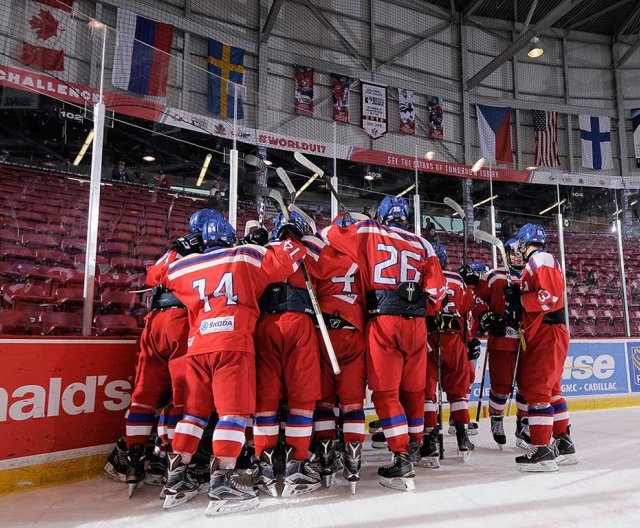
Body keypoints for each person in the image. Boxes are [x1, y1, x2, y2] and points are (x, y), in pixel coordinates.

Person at [150, 214, 309, 515]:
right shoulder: (244, 255)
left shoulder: (186, 264)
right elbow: (291, 257)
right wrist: (275, 239)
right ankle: (223, 482)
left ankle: (175, 479)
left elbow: (155, 274)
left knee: (194, 415)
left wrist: (177, 248)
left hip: (197, 347)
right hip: (233, 344)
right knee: (233, 416)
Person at [320, 196, 446, 491]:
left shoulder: (369, 230)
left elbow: (328, 234)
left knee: (385, 394)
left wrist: (353, 226)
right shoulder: (423, 243)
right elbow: (437, 294)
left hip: (383, 321)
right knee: (414, 390)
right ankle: (415, 446)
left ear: (382, 215)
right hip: (416, 325)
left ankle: (401, 457)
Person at [104, 211, 221, 495]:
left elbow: (152, 275)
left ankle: (131, 462)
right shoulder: (213, 251)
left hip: (154, 323)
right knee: (179, 399)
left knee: (143, 398)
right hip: (182, 323)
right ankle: (166, 463)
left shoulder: (173, 250)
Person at [252, 211, 323, 498]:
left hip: (264, 324)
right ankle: (297, 465)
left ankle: (264, 463)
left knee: (266, 398)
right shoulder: (311, 250)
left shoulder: (260, 250)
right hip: (300, 323)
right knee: (302, 399)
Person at [505, 224, 577, 472]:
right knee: (552, 391)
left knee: (537, 392)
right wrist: (517, 291)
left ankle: (542, 451)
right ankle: (564, 444)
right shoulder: (536, 264)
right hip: (547, 332)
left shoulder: (541, 259)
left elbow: (549, 297)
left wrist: (520, 299)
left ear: (525, 244)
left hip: (546, 332)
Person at [311, 215, 367, 493]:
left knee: (324, 403)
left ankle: (324, 460)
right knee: (352, 404)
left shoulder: (319, 254)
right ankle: (353, 463)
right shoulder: (365, 256)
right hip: (353, 330)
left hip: (324, 331)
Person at [422, 244, 480, 467]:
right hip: (454, 338)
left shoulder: (424, 276)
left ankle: (430, 439)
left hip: (429, 338)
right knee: (458, 391)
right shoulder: (458, 280)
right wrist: (466, 343)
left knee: (427, 391)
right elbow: (468, 313)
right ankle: (463, 437)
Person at [471, 244, 530, 449]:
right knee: (501, 386)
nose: (515, 258)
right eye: (511, 254)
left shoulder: (532, 275)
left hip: (527, 342)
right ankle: (497, 418)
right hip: (502, 340)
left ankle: (523, 423)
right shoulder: (495, 276)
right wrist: (485, 315)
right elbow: (477, 298)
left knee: (527, 386)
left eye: (518, 254)